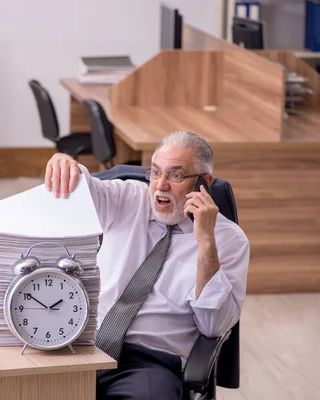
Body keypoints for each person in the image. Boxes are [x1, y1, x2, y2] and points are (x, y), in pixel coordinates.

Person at [45, 131, 249, 400]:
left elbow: (213, 327)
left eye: (175, 175)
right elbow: (85, 189)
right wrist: (65, 163)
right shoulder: (128, 198)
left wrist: (206, 243)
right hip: (83, 344)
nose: (161, 185)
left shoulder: (229, 240)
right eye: (154, 172)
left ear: (205, 183)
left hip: (152, 363)